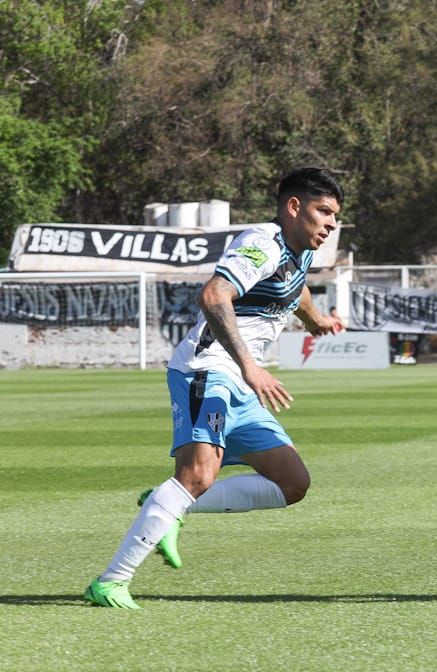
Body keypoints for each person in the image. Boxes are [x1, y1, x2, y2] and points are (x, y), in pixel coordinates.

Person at [84, 167, 345, 608]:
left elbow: (294, 285)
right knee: (198, 476)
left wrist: (315, 319)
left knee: (291, 482)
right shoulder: (262, 244)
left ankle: (168, 502)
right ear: (293, 207)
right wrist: (250, 366)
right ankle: (111, 580)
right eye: (324, 212)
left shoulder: (299, 248)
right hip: (207, 369)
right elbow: (213, 296)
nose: (331, 224)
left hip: (237, 380)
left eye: (335, 215)